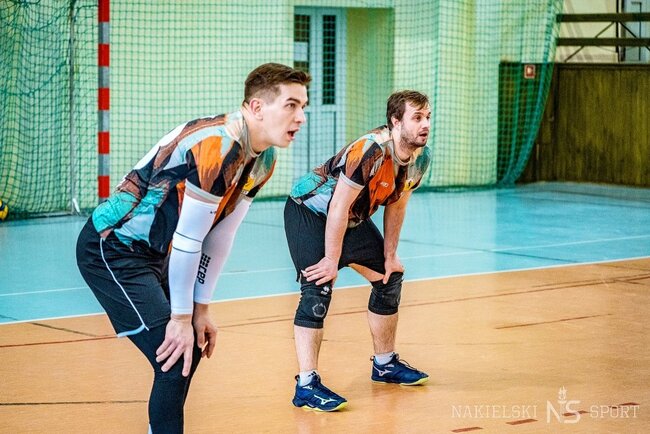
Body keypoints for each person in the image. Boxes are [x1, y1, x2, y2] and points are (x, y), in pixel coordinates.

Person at [76, 63, 310, 432]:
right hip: (113, 248)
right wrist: (181, 319)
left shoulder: (264, 157)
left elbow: (220, 235)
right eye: (291, 106)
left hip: (158, 252)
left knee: (191, 348)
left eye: (303, 107)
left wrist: (199, 311)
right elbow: (189, 240)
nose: (301, 118)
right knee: (173, 357)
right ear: (257, 108)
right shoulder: (218, 147)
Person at [284, 90, 432, 411]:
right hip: (309, 213)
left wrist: (390, 256)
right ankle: (306, 385)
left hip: (350, 217)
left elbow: (397, 205)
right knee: (318, 287)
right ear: (396, 121)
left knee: (389, 278)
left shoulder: (420, 158)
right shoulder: (370, 150)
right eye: (417, 118)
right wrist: (331, 259)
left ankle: (385, 364)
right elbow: (337, 206)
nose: (425, 125)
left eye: (428, 117)